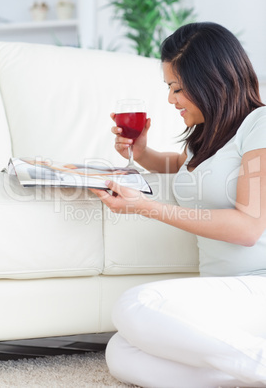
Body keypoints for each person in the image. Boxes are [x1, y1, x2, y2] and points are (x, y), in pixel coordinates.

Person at [90, 22, 266, 387]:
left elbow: (248, 228)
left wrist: (145, 206)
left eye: (177, 88)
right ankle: (248, 370)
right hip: (222, 292)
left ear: (211, 80)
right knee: (122, 351)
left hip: (258, 287)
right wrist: (143, 154)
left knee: (135, 305)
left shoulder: (260, 125)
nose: (171, 99)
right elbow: (188, 170)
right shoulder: (207, 136)